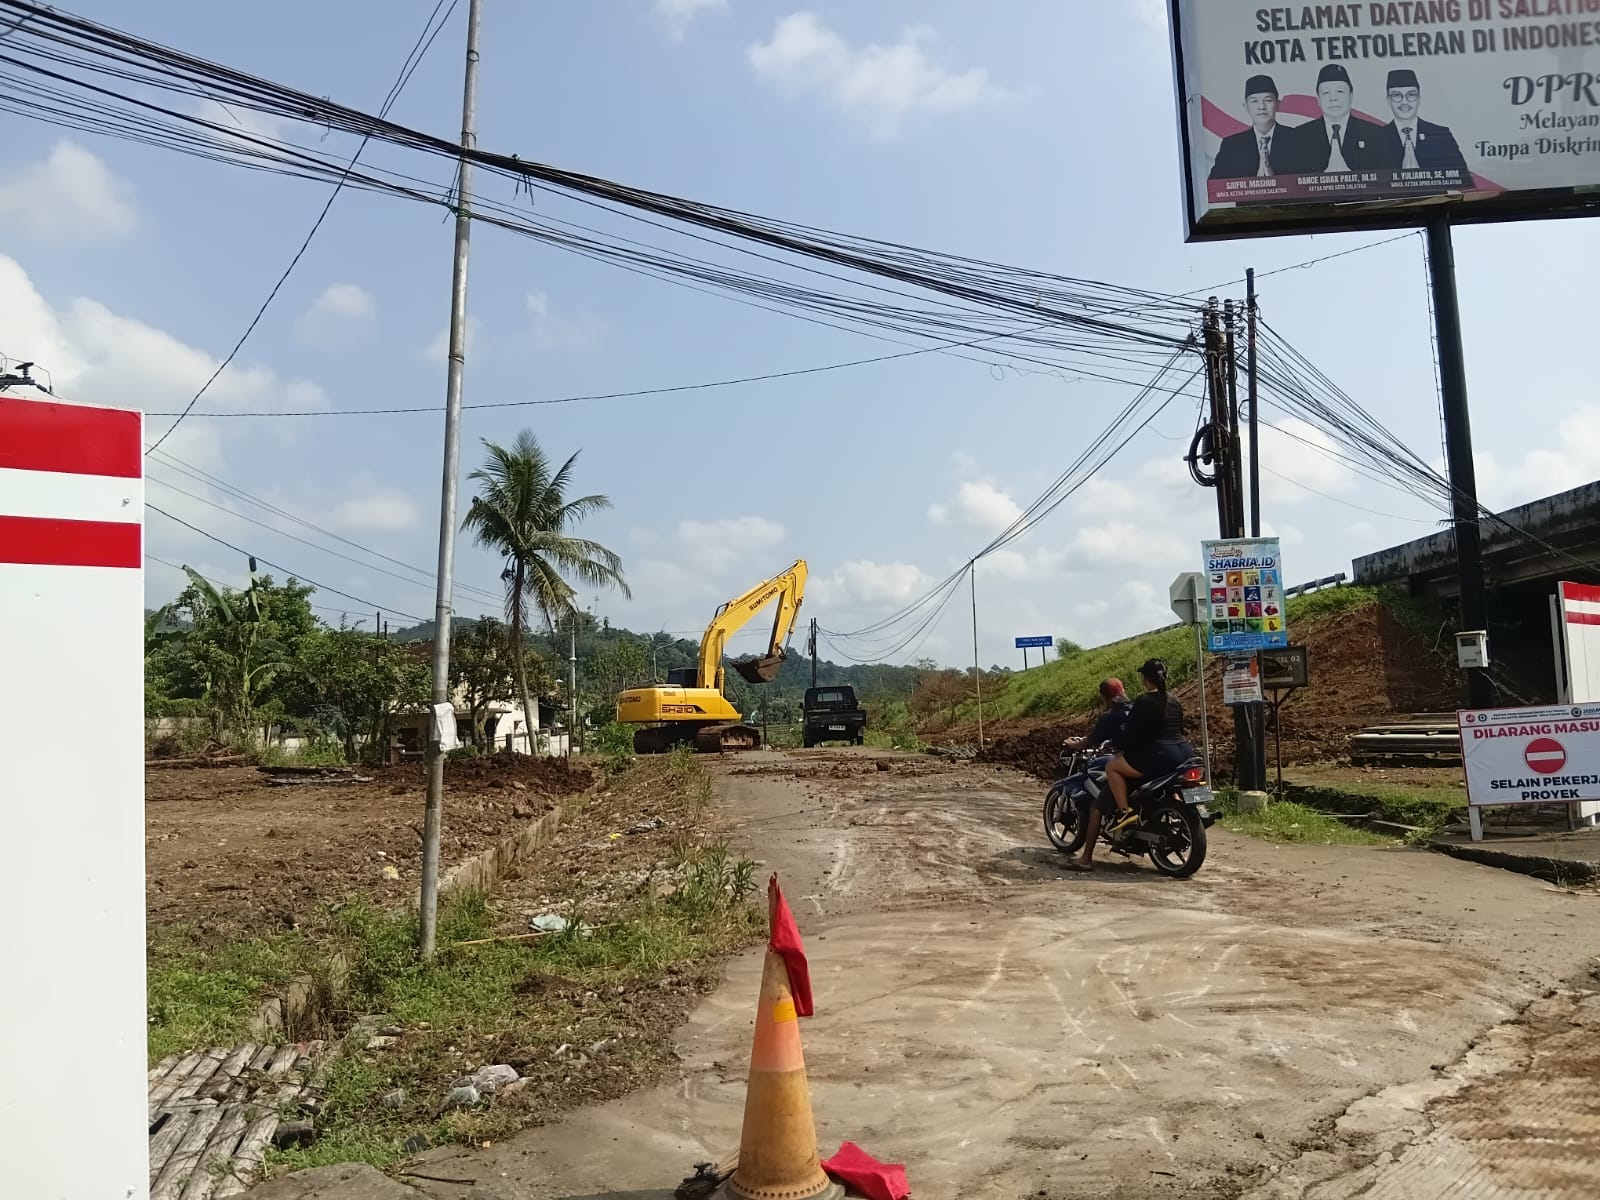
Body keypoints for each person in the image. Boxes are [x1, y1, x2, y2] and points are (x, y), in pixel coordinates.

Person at [1101, 658, 1196, 834]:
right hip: (1185, 755)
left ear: (1145, 678)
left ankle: (1124, 812)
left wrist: (1124, 751)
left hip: (1159, 756)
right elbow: (1180, 729)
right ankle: (1179, 809)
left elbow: (1131, 734)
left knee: (1112, 766)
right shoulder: (1175, 700)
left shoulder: (1143, 701)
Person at [1287, 64, 1393, 173]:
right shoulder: (1299, 136)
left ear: (1351, 96)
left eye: (1340, 91)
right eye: (1326, 93)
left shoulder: (1375, 134)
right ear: (1318, 99)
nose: (1333, 98)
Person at [1378, 68, 1467, 174]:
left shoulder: (1441, 135)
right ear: (1388, 101)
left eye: (1411, 95)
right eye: (1397, 95)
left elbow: (1462, 178)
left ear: (1419, 99)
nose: (1404, 102)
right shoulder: (1377, 138)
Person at [1210, 75, 1287, 179]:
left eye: (1268, 100)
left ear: (1278, 104)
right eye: (1254, 101)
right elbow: (1215, 188)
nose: (1261, 107)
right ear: (1245, 106)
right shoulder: (1231, 146)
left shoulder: (1297, 139)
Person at [1062, 678, 1133, 751]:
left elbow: (1089, 742)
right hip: (1142, 754)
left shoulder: (1109, 717)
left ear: (1104, 697)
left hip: (1128, 758)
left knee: (1098, 762)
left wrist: (1072, 744)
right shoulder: (1135, 708)